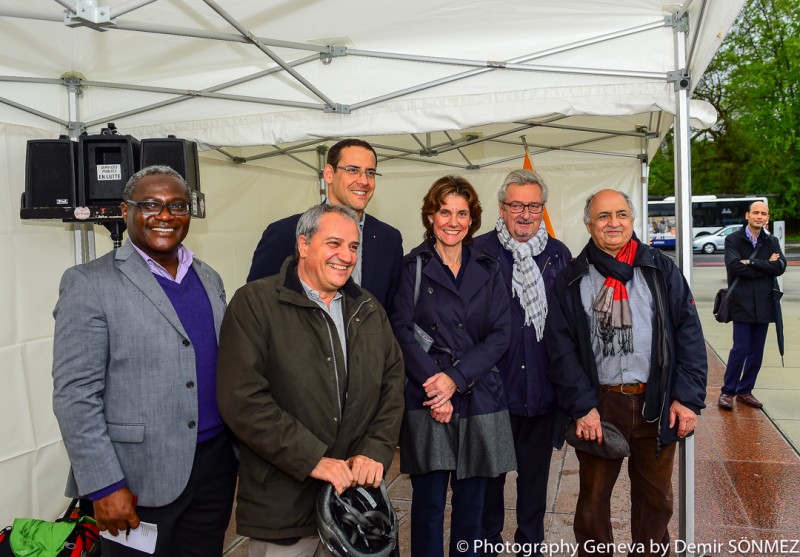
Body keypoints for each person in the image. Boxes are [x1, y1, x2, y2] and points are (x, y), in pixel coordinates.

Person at [52, 166, 237, 557]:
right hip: (136, 477)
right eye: (150, 204)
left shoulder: (209, 277)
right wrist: (104, 485)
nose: (165, 215)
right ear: (126, 211)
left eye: (177, 205)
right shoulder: (89, 282)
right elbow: (75, 394)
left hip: (213, 467)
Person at [217, 203, 405, 557]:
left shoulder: (368, 308)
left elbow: (392, 386)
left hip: (355, 507)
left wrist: (375, 449)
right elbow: (242, 400)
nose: (346, 256)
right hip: (283, 509)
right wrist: (313, 458)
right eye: (334, 243)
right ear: (303, 245)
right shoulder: (254, 303)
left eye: (353, 246)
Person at [544, 189, 707, 557]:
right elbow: (560, 349)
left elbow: (689, 333)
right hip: (600, 406)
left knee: (656, 503)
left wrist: (687, 398)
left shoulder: (660, 268)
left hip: (657, 402)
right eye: (603, 216)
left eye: (621, 214)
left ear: (633, 221)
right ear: (589, 224)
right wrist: (582, 406)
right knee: (592, 506)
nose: (613, 223)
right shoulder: (573, 277)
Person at [390, 176, 515, 557]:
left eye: (462, 213)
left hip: (479, 397)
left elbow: (501, 334)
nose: (453, 221)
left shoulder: (489, 267)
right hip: (427, 398)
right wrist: (437, 385)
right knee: (427, 507)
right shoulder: (412, 266)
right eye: (445, 212)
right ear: (431, 216)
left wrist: (455, 380)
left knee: (472, 509)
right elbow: (400, 330)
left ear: (472, 219)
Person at [472, 170, 572, 556]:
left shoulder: (559, 254)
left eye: (533, 206)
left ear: (542, 209)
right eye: (516, 205)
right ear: (502, 208)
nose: (525, 214)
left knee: (534, 484)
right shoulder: (477, 252)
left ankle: (531, 545)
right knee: (489, 484)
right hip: (492, 394)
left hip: (541, 393)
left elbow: (569, 327)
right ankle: (488, 546)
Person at [246, 138, 403, 310]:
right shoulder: (285, 233)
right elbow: (255, 303)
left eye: (370, 173)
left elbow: (392, 312)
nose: (364, 181)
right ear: (329, 174)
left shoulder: (389, 239)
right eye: (353, 170)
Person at [718, 201, 786, 410]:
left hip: (765, 304)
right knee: (740, 349)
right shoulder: (733, 239)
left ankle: (745, 391)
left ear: (767, 218)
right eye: (755, 212)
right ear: (747, 215)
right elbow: (734, 266)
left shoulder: (772, 241)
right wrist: (766, 266)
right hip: (742, 303)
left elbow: (780, 266)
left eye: (763, 213)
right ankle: (727, 392)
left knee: (756, 352)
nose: (759, 216)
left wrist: (751, 262)